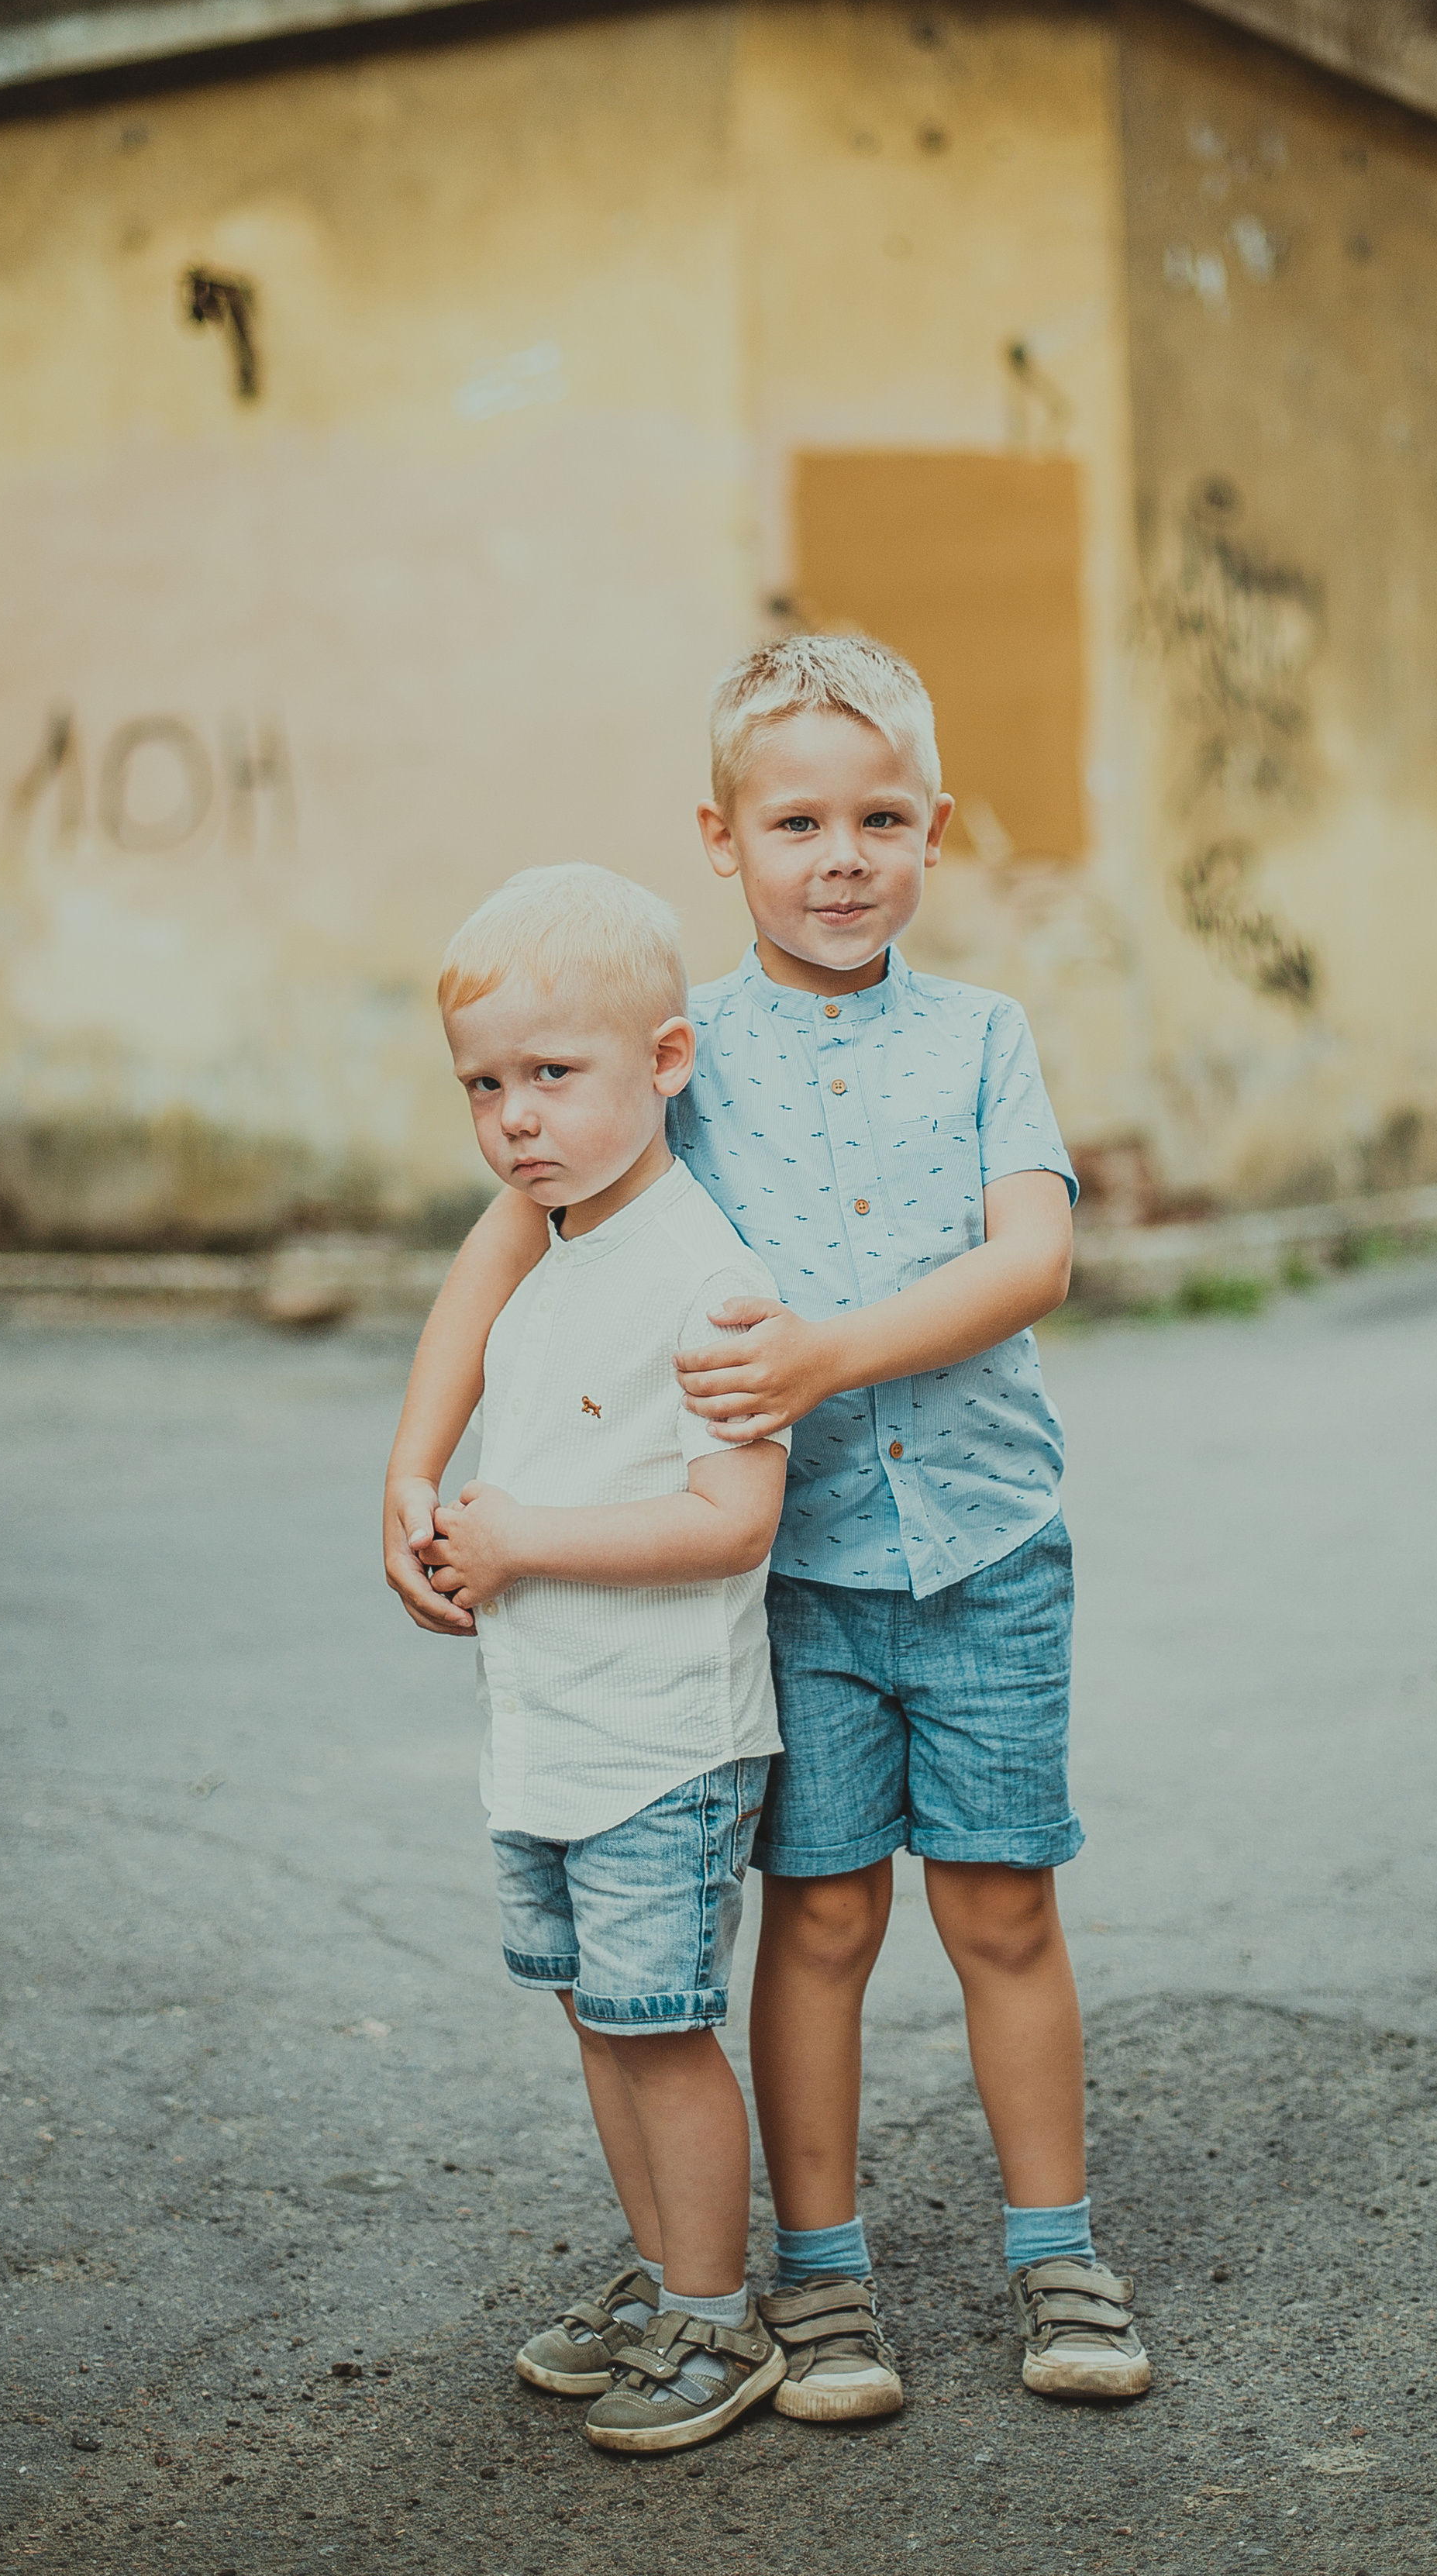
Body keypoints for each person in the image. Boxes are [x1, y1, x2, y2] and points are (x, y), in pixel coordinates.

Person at [388, 636, 1150, 2418]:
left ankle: (1058, 2253)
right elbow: (498, 1253)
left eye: (879, 817)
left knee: (1002, 1906)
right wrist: (412, 1463)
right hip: (787, 1575)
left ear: (933, 832)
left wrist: (820, 1355)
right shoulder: (671, 1053)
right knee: (813, 1921)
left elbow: (1030, 1256)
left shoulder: (979, 1038)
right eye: (794, 818)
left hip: (981, 1548)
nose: (839, 855)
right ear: (719, 839)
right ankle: (814, 2279)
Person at [383, 862, 793, 2455]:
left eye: (553, 1077)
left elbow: (728, 1518)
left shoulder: (704, 1280)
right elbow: (474, 1358)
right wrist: (420, 1498)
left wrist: (516, 1544)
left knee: (656, 2023)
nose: (514, 1120)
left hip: (663, 1744)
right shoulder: (551, 1240)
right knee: (591, 2013)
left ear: (664, 1064)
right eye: (484, 1086)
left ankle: (715, 2316)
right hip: (551, 1731)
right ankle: (656, 2272)